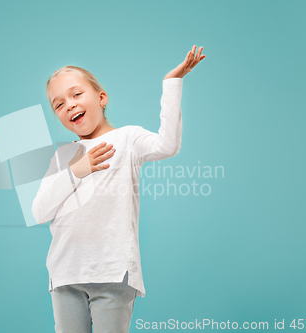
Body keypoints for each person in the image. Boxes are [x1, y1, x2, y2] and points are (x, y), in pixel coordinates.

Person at [32, 46, 206, 333]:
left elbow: (168, 145)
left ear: (101, 98)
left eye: (76, 94)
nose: (70, 105)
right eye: (59, 104)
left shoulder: (127, 138)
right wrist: (78, 169)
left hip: (112, 272)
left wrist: (172, 82)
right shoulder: (62, 157)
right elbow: (39, 212)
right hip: (65, 274)